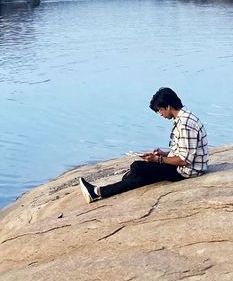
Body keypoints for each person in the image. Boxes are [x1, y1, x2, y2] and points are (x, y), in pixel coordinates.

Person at [78, 87, 208, 203]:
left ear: (168, 106)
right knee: (139, 174)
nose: (160, 114)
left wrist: (158, 159)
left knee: (138, 168)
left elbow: (184, 160)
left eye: (160, 110)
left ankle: (98, 191)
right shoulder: (184, 118)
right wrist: (163, 153)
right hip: (185, 166)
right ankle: (97, 192)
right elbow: (185, 150)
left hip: (187, 171)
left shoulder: (185, 125)